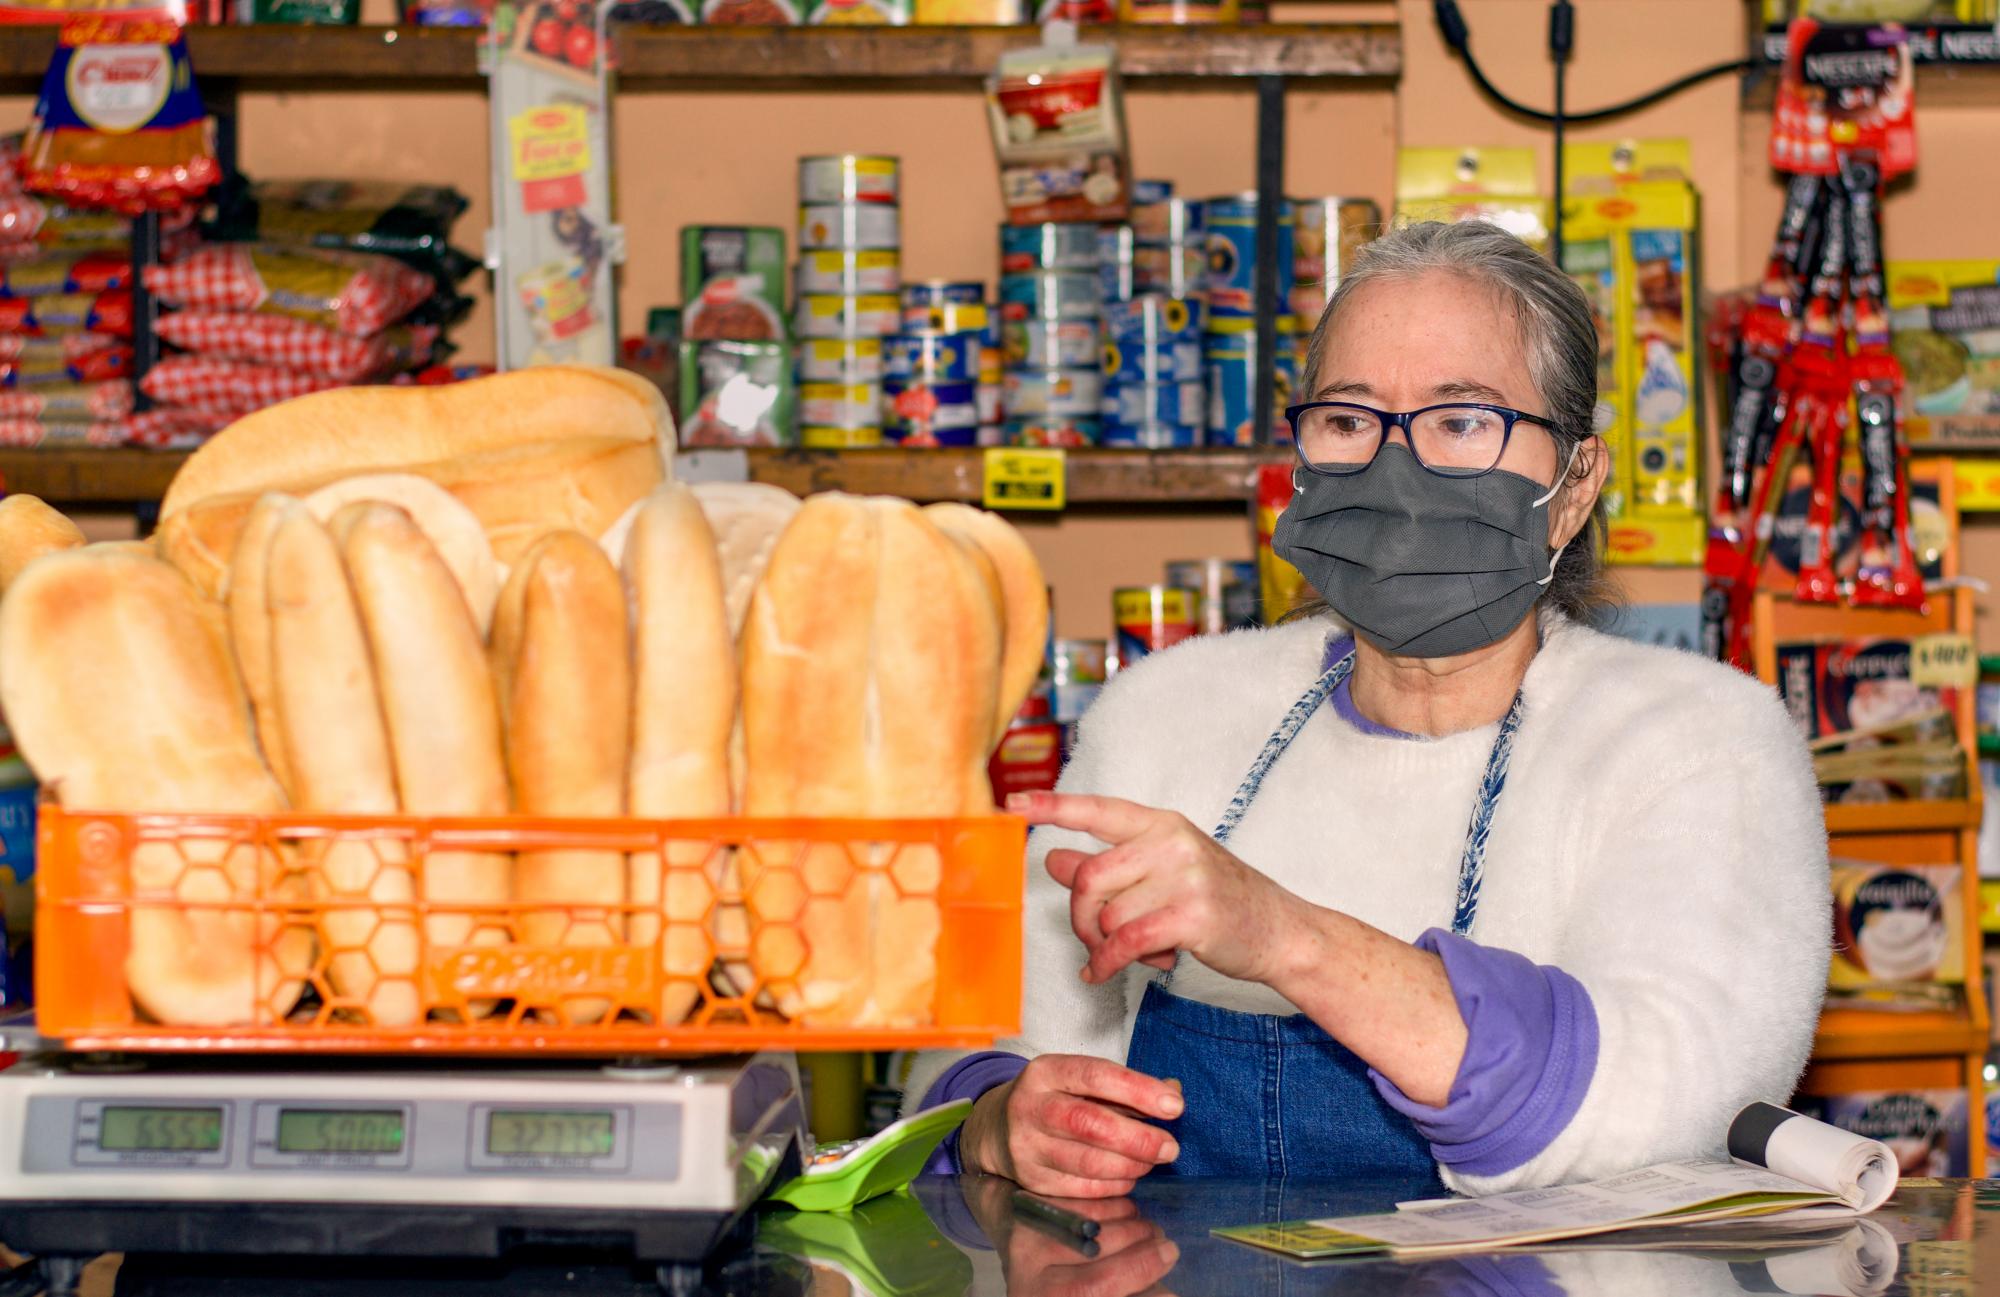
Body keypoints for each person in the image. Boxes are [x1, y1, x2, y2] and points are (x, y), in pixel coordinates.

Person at [909, 220, 1832, 1198]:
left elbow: (1668, 1106)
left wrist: (1284, 936)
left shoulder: (1695, 744)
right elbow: (969, 1063)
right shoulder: (1161, 719)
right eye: (1348, 420)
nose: (1395, 473)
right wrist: (1002, 1121)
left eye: (1461, 421)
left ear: (1571, 488)